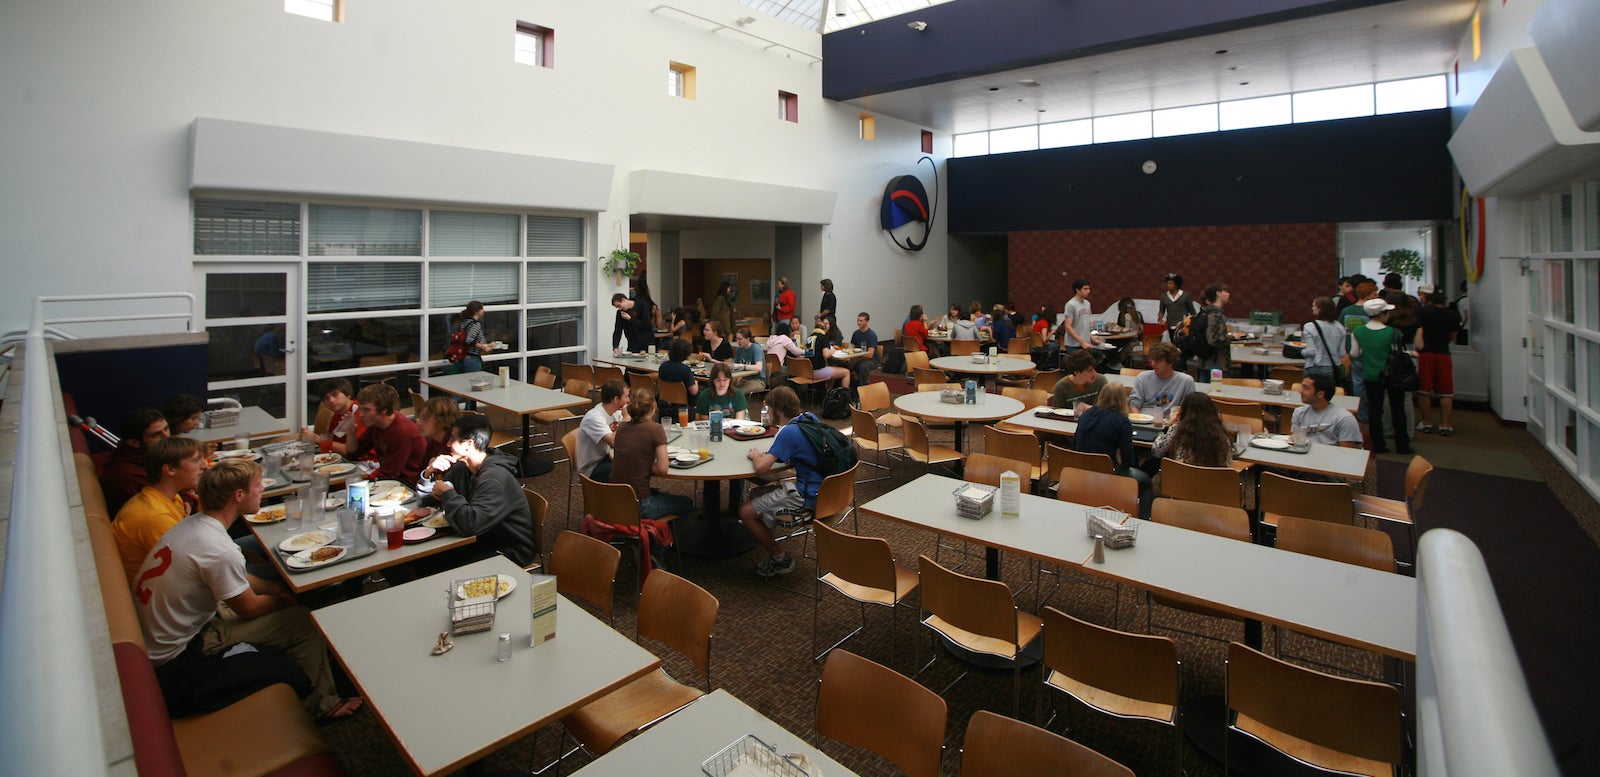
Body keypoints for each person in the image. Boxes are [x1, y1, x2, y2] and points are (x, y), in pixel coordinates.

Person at [133, 459, 358, 720]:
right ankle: (322, 705)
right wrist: (286, 600)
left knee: (285, 593)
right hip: (180, 659)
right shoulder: (219, 550)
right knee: (301, 621)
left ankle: (314, 661)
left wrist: (276, 588)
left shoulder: (193, 526)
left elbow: (241, 578)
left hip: (161, 636)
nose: (262, 489)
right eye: (257, 485)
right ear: (239, 495)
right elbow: (249, 609)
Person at [420, 413, 538, 568]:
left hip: (508, 549)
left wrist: (448, 494)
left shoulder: (494, 479)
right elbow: (426, 502)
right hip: (483, 538)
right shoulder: (462, 469)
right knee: (423, 560)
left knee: (431, 564)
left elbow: (471, 524)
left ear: (468, 444)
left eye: (452, 439)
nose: (447, 444)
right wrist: (429, 473)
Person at [738, 387, 824, 578]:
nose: (767, 412)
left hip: (807, 497)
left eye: (769, 408)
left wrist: (755, 456)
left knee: (745, 512)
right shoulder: (810, 418)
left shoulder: (788, 433)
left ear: (778, 410)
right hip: (828, 492)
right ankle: (766, 530)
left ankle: (780, 558)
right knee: (757, 493)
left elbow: (761, 468)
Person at [113, 436, 205, 584]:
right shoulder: (157, 517)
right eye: (196, 460)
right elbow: (191, 569)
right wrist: (206, 518)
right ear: (169, 469)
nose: (205, 465)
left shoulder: (168, 496)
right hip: (160, 590)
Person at [610, 388, 696, 520]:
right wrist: (644, 465)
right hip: (640, 504)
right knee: (688, 503)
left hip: (615, 499)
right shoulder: (656, 429)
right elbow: (662, 469)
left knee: (659, 492)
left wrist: (640, 464)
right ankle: (663, 532)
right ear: (654, 406)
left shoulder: (621, 428)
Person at [1072, 383, 1153, 516]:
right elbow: (1128, 460)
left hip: (1080, 469)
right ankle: (1144, 518)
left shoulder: (1087, 414)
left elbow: (1074, 444)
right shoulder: (1122, 421)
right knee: (1146, 482)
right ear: (1123, 400)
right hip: (1107, 473)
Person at [1350, 298, 1412, 455]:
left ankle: (1378, 445)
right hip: (1393, 376)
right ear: (1382, 314)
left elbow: (1354, 354)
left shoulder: (1358, 331)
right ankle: (1402, 445)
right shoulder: (1393, 332)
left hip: (1371, 375)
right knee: (1398, 410)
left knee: (1375, 411)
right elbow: (1398, 353)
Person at [99, 407, 171, 517]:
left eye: (166, 429)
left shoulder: (155, 453)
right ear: (134, 443)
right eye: (156, 435)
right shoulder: (128, 476)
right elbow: (154, 511)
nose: (166, 437)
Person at [353, 383, 428, 483]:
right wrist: (351, 432)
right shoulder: (376, 424)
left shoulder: (402, 433)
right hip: (392, 478)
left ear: (384, 410)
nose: (361, 415)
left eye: (367, 410)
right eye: (360, 409)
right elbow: (355, 453)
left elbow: (390, 475)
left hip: (409, 484)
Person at [1414, 288, 1462, 436]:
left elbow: (1418, 333)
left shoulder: (1420, 312)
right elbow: (1452, 337)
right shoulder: (1453, 315)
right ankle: (1445, 425)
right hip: (1444, 354)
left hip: (1425, 354)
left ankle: (1426, 423)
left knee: (1424, 391)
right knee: (1446, 393)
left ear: (1429, 298)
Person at [1146, 393, 1235, 470]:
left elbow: (1156, 452)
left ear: (1184, 411)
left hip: (1180, 481)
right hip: (1213, 483)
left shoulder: (1177, 430)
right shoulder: (1222, 435)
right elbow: (1227, 464)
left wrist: (1168, 426)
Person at [1290, 373, 1363, 448]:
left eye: (1306, 388)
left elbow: (1346, 451)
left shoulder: (1345, 419)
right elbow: (1294, 441)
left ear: (1320, 394)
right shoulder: (1299, 413)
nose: (1300, 391)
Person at [301, 377, 364, 456]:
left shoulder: (360, 412)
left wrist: (317, 439)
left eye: (335, 394)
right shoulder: (337, 414)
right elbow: (333, 440)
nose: (331, 400)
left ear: (348, 394)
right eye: (326, 398)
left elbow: (350, 451)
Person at [1129, 343, 1195, 416]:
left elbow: (1188, 408)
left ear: (1171, 362)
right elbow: (1134, 404)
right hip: (1145, 417)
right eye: (1152, 360)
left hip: (1172, 419)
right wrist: (1138, 418)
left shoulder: (1186, 381)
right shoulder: (1142, 378)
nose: (1153, 363)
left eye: (1158, 361)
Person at [1301, 296, 1349, 384]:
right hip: (1334, 367)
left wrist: (1302, 352)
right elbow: (1342, 353)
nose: (1312, 308)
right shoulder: (1340, 327)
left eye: (1314, 306)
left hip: (1315, 366)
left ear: (1320, 309)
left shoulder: (1310, 326)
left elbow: (1311, 351)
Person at [1193, 281, 1232, 380]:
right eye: (1225, 291)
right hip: (1216, 364)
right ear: (1218, 294)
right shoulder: (1216, 314)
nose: (1228, 294)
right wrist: (1233, 337)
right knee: (1216, 388)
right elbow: (1214, 340)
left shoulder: (1204, 312)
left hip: (1203, 361)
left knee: (1204, 387)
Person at [804, 317, 851, 388]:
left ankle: (829, 391)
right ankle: (844, 394)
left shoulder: (809, 338)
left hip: (807, 372)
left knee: (832, 369)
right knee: (846, 372)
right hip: (818, 372)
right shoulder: (823, 337)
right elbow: (826, 355)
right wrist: (832, 351)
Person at [416, 396, 463, 466]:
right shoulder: (434, 442)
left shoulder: (453, 448)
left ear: (443, 420)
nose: (418, 423)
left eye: (425, 419)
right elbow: (422, 469)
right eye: (419, 418)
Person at [450, 301, 493, 373]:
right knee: (474, 379)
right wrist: (483, 347)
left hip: (462, 357)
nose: (483, 311)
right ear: (476, 312)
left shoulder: (464, 322)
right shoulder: (475, 324)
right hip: (472, 359)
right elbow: (469, 340)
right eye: (481, 309)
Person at [1058, 278, 1099, 352]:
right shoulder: (1071, 304)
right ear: (1077, 290)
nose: (1088, 291)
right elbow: (1068, 326)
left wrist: (1091, 338)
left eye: (1088, 289)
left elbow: (1084, 325)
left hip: (1086, 343)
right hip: (1073, 345)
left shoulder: (1087, 304)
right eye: (1085, 289)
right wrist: (1082, 342)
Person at [848, 312, 880, 385]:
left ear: (867, 321)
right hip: (858, 357)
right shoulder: (856, 333)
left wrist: (856, 358)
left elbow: (870, 355)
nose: (859, 323)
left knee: (862, 366)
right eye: (858, 320)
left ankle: (864, 385)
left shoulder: (871, 335)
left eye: (861, 321)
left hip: (872, 361)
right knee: (845, 364)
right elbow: (852, 347)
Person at [732, 328, 768, 393]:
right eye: (736, 339)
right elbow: (736, 368)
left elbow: (759, 367)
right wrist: (738, 379)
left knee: (737, 392)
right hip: (744, 378)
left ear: (748, 339)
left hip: (757, 380)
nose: (738, 341)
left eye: (740, 339)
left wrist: (743, 366)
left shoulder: (756, 349)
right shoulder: (739, 350)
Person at [1112, 296, 1144, 367]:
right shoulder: (1137, 314)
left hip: (1132, 339)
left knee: (1115, 345)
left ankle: (1114, 363)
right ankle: (1113, 362)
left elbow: (1141, 330)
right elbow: (1141, 329)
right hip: (1127, 338)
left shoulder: (1134, 315)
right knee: (1113, 345)